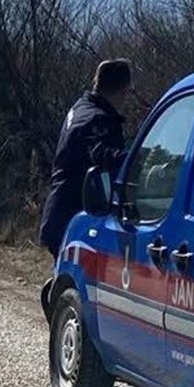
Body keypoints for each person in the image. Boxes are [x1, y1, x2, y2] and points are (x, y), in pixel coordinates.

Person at [38, 59, 133, 259]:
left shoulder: (82, 107)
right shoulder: (96, 119)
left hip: (63, 213)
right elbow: (102, 155)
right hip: (74, 219)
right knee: (76, 283)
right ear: (123, 89)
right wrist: (139, 160)